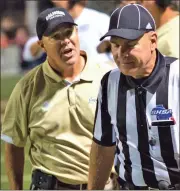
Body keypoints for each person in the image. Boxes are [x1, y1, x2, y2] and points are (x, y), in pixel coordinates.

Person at [1, 7, 117, 190]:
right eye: (55, 36)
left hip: (107, 186)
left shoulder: (108, 77)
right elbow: (13, 143)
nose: (65, 41)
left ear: (77, 32)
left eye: (69, 32)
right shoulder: (27, 87)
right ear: (41, 46)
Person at [88, 3, 179, 190]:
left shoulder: (177, 77)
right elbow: (103, 146)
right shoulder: (110, 83)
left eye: (130, 45)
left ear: (153, 41)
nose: (121, 54)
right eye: (115, 45)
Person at [51, 0, 115, 66]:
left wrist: (107, 44)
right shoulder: (53, 24)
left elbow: (117, 44)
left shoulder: (99, 19)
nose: (53, 1)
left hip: (100, 70)